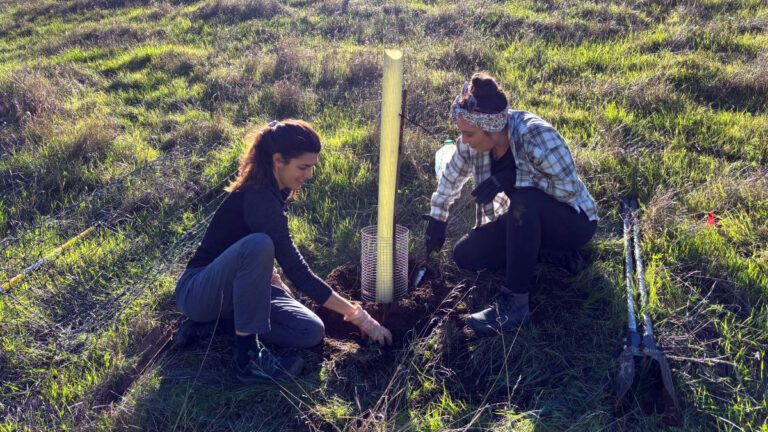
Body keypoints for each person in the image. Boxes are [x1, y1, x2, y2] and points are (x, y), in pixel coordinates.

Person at [176, 119, 392, 384]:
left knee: (310, 331)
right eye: (303, 167)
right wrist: (361, 317)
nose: (309, 175)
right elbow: (298, 272)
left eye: (312, 167)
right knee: (259, 245)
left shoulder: (276, 188)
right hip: (199, 292)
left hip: (240, 290)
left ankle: (218, 327)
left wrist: (268, 273)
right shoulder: (258, 197)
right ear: (278, 159)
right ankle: (246, 361)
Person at [424, 73, 599, 335]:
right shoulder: (471, 145)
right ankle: (542, 253)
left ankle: (515, 304)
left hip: (573, 222)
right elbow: (450, 179)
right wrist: (437, 219)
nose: (464, 140)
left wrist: (513, 178)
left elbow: (569, 189)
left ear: (492, 128)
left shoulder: (535, 135)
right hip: (523, 222)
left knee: (523, 200)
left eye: (469, 134)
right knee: (465, 255)